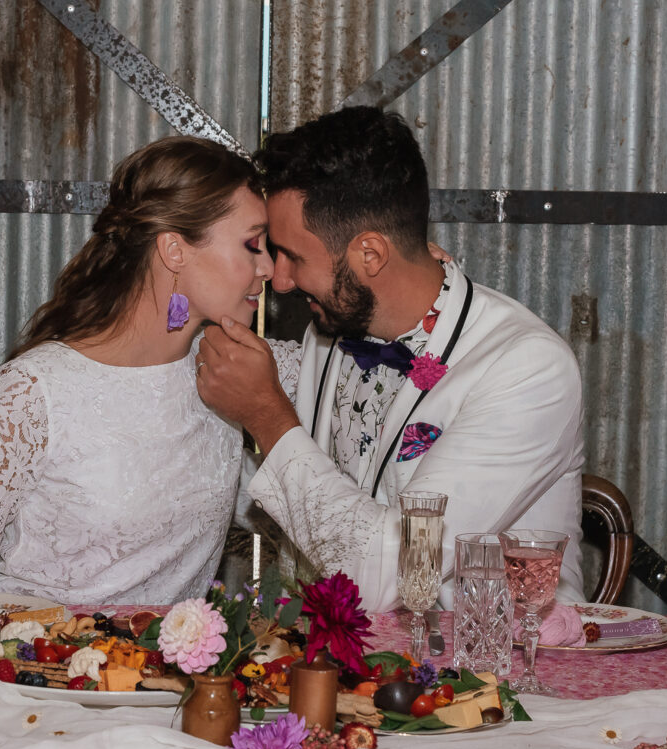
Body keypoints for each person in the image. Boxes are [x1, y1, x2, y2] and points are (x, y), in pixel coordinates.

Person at [196, 106, 585, 612]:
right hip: (337, 665)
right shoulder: (335, 325)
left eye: (294, 255)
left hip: (496, 672)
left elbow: (401, 569)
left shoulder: (527, 369)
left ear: (371, 256)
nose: (281, 280)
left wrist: (269, 418)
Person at [0, 136, 283, 603]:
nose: (270, 267)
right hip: (21, 668)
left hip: (174, 673)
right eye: (253, 245)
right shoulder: (31, 393)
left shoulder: (236, 373)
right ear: (175, 251)